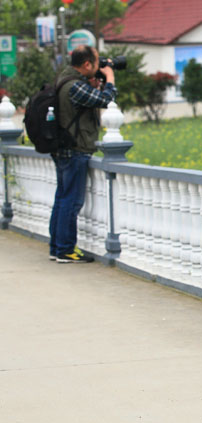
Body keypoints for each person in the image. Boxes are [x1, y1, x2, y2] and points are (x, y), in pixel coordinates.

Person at [49, 45, 117, 263]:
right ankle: (66, 249)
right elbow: (106, 100)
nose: (100, 67)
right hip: (75, 149)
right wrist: (110, 78)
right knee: (71, 201)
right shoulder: (75, 86)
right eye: (98, 63)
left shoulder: (65, 79)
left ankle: (56, 247)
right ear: (87, 64)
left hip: (62, 148)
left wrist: (94, 84)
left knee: (61, 198)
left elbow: (88, 101)